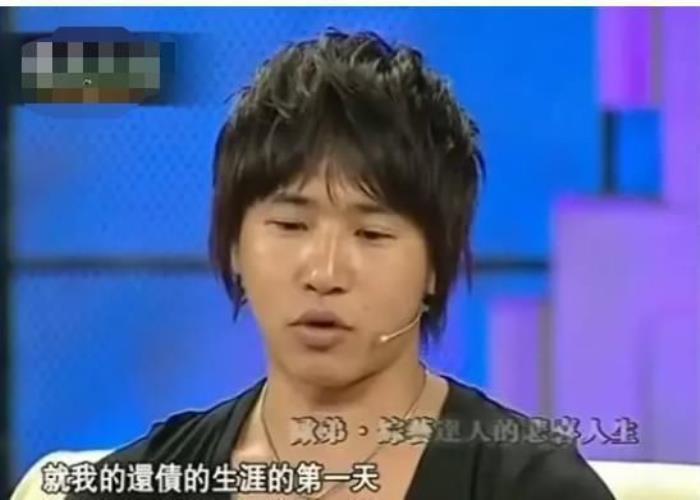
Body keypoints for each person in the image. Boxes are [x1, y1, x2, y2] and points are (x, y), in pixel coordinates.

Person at [15, 29, 615, 500]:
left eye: (372, 233)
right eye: (290, 225)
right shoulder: (141, 484)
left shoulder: (532, 487)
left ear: (436, 265)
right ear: (234, 246)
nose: (324, 273)